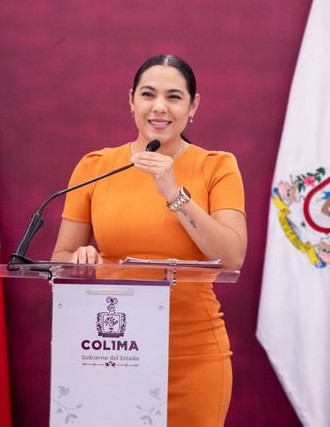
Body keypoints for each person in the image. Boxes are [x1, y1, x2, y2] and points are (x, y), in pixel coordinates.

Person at [51, 54, 247, 426]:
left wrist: (173, 191)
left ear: (193, 106)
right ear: (131, 101)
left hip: (192, 356)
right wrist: (81, 255)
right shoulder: (95, 166)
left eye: (174, 96)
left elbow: (232, 256)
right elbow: (61, 255)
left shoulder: (217, 166)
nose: (160, 107)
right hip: (111, 351)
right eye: (148, 94)